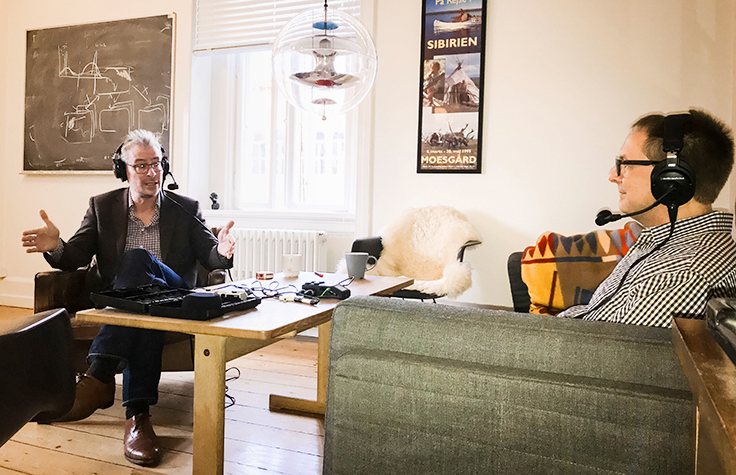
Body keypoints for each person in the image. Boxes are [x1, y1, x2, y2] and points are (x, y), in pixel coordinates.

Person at [21, 129, 236, 467]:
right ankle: (137, 417)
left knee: (137, 260)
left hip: (173, 295)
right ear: (123, 170)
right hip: (131, 304)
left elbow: (210, 255)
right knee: (142, 311)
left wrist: (222, 251)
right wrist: (56, 246)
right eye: (141, 166)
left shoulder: (185, 208)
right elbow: (75, 255)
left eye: (157, 164)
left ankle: (99, 375)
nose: (152, 173)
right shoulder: (102, 206)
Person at [558, 108, 736, 327]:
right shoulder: (666, 241)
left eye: (625, 164)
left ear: (672, 180)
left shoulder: (685, 276)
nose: (613, 176)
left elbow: (594, 347)